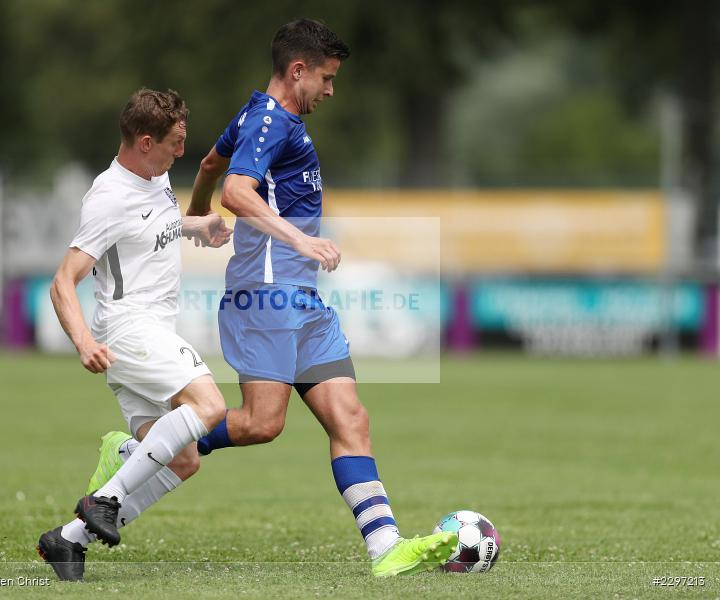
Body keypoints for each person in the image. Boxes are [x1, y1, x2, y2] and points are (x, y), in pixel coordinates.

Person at [187, 19, 457, 577]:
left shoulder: (260, 116)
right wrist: (300, 239)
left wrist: (196, 214)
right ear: (298, 70)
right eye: (327, 79)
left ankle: (386, 549)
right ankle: (140, 450)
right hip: (265, 292)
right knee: (263, 424)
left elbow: (212, 166)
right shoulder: (268, 120)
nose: (331, 91)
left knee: (351, 417)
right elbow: (236, 189)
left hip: (302, 297)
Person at [37, 88, 232, 582]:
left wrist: (196, 226)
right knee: (209, 407)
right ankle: (105, 496)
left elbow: (154, 227)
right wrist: (83, 342)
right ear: (145, 142)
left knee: (184, 460)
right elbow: (64, 280)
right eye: (174, 143)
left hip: (149, 330)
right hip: (130, 329)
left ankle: (68, 540)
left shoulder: (156, 175)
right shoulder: (109, 198)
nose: (181, 152)